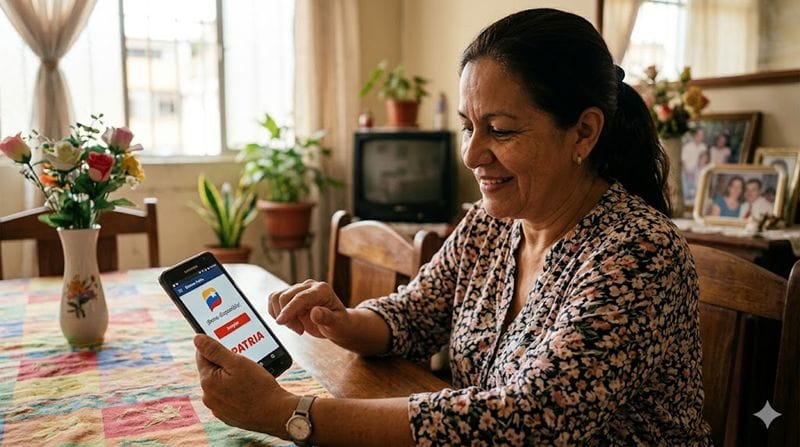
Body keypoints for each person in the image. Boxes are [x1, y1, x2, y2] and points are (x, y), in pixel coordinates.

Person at [193, 8, 711, 446]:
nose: (471, 155)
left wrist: (288, 413)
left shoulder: (639, 252)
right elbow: (416, 313)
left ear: (583, 132)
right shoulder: (492, 222)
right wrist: (346, 321)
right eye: (468, 126)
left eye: (500, 130)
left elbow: (530, 421)